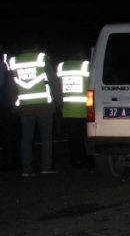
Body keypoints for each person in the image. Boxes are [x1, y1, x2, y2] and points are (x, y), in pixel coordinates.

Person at [6, 43, 63, 176]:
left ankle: (27, 169)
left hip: (25, 106)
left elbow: (11, 86)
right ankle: (46, 167)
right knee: (46, 137)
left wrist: (13, 105)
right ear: (36, 46)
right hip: (44, 105)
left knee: (26, 138)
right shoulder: (42, 58)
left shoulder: (14, 61)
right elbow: (53, 80)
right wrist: (59, 100)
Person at [57, 48, 92, 168]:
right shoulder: (86, 65)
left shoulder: (61, 66)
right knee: (83, 138)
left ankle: (74, 160)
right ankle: (85, 160)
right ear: (80, 53)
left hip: (66, 110)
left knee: (72, 138)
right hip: (82, 109)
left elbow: (57, 86)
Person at [0, 43, 22, 170]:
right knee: (13, 134)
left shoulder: (3, 62)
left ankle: (11, 162)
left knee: (8, 135)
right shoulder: (7, 60)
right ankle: (16, 161)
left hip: (5, 103)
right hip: (10, 102)